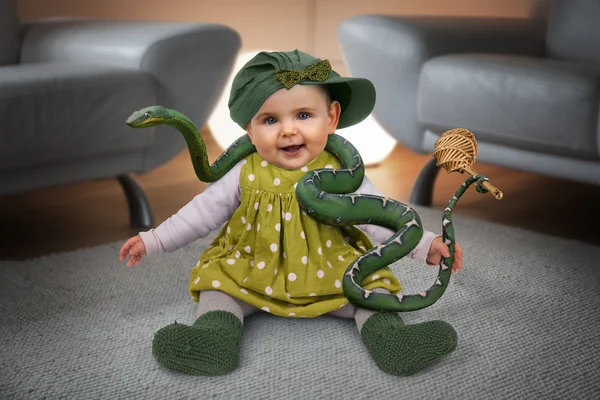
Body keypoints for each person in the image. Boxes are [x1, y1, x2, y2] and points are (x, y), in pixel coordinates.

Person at [119, 50, 463, 377]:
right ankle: (214, 340)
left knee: (373, 289)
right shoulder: (243, 170)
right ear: (250, 131)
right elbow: (200, 214)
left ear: (331, 118)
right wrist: (154, 240)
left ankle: (393, 342)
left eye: (303, 115)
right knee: (217, 286)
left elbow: (378, 218)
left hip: (331, 270)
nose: (288, 130)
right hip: (252, 267)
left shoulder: (342, 172)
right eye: (270, 119)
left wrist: (424, 245)